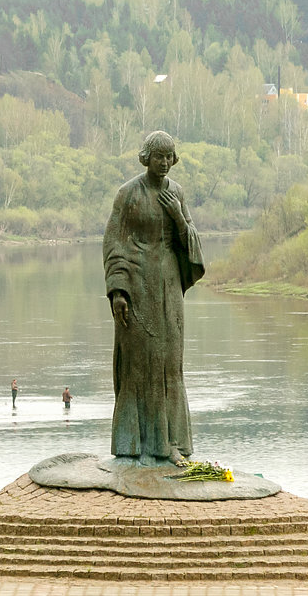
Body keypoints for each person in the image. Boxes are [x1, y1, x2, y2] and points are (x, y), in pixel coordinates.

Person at [104, 130, 204, 467]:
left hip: (170, 285)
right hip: (137, 284)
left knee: (170, 363)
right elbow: (114, 242)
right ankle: (134, 445)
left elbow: (192, 243)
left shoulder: (177, 193)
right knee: (139, 364)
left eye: (169, 157)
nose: (164, 163)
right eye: (158, 156)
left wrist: (177, 215)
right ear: (147, 156)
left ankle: (173, 443)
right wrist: (118, 291)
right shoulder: (128, 194)